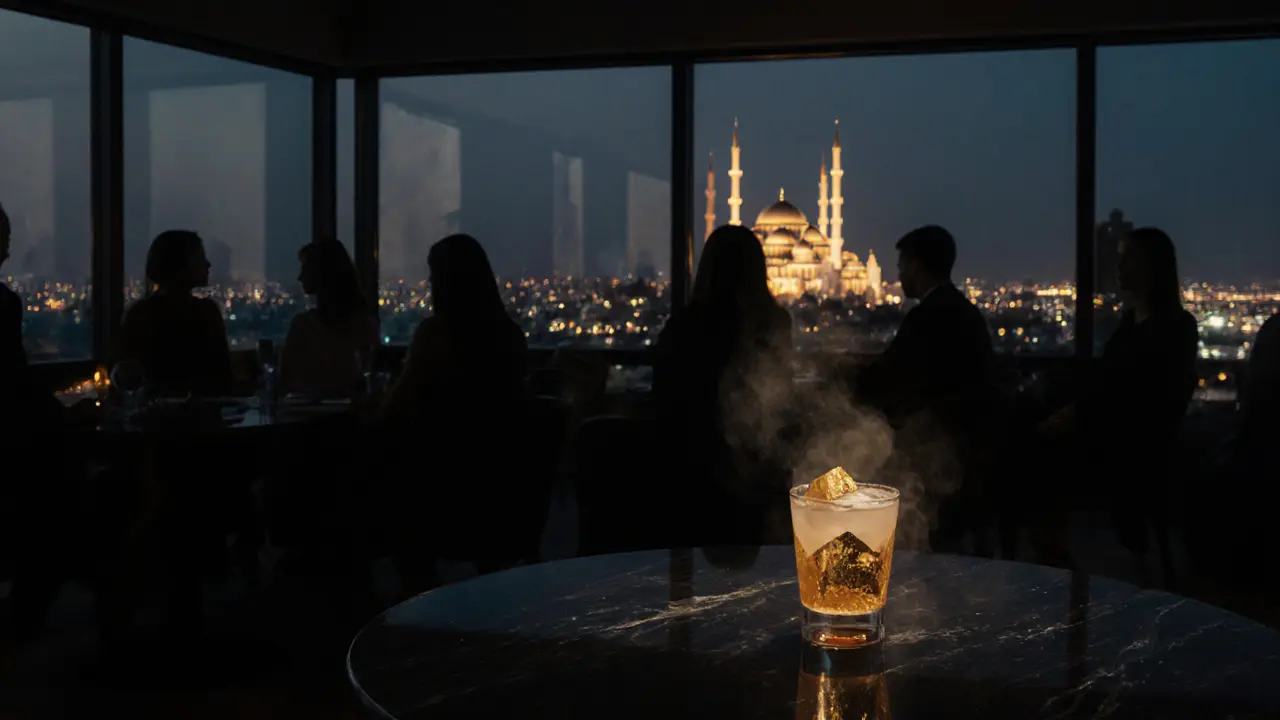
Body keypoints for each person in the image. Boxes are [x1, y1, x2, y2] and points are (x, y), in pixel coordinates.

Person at [1043, 227, 1197, 577]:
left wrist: (1078, 415)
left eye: (1129, 257)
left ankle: (1056, 563)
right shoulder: (1138, 324)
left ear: (1152, 268)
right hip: (1119, 440)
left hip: (1132, 448)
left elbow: (1140, 396)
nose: (1119, 264)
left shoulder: (1168, 328)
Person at [379, 235, 530, 587]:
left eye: (433, 276)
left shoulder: (436, 335)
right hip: (500, 489)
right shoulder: (510, 335)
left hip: (439, 490)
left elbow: (396, 408)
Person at [854, 225, 997, 553]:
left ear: (917, 266)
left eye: (902, 264)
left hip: (939, 454)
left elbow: (891, 378)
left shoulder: (928, 317)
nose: (899, 273)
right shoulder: (963, 311)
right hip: (969, 448)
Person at [653, 224, 793, 545]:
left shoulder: (685, 326)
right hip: (755, 472)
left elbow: (666, 395)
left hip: (688, 469)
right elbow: (779, 395)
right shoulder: (773, 323)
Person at [113, 230, 233, 398]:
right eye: (199, 258)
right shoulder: (206, 312)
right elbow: (223, 377)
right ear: (179, 265)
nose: (207, 265)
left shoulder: (140, 314)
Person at [280, 239, 379, 399]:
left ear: (322, 273)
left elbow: (287, 381)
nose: (300, 277)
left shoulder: (304, 327)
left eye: (306, 269)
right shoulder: (365, 324)